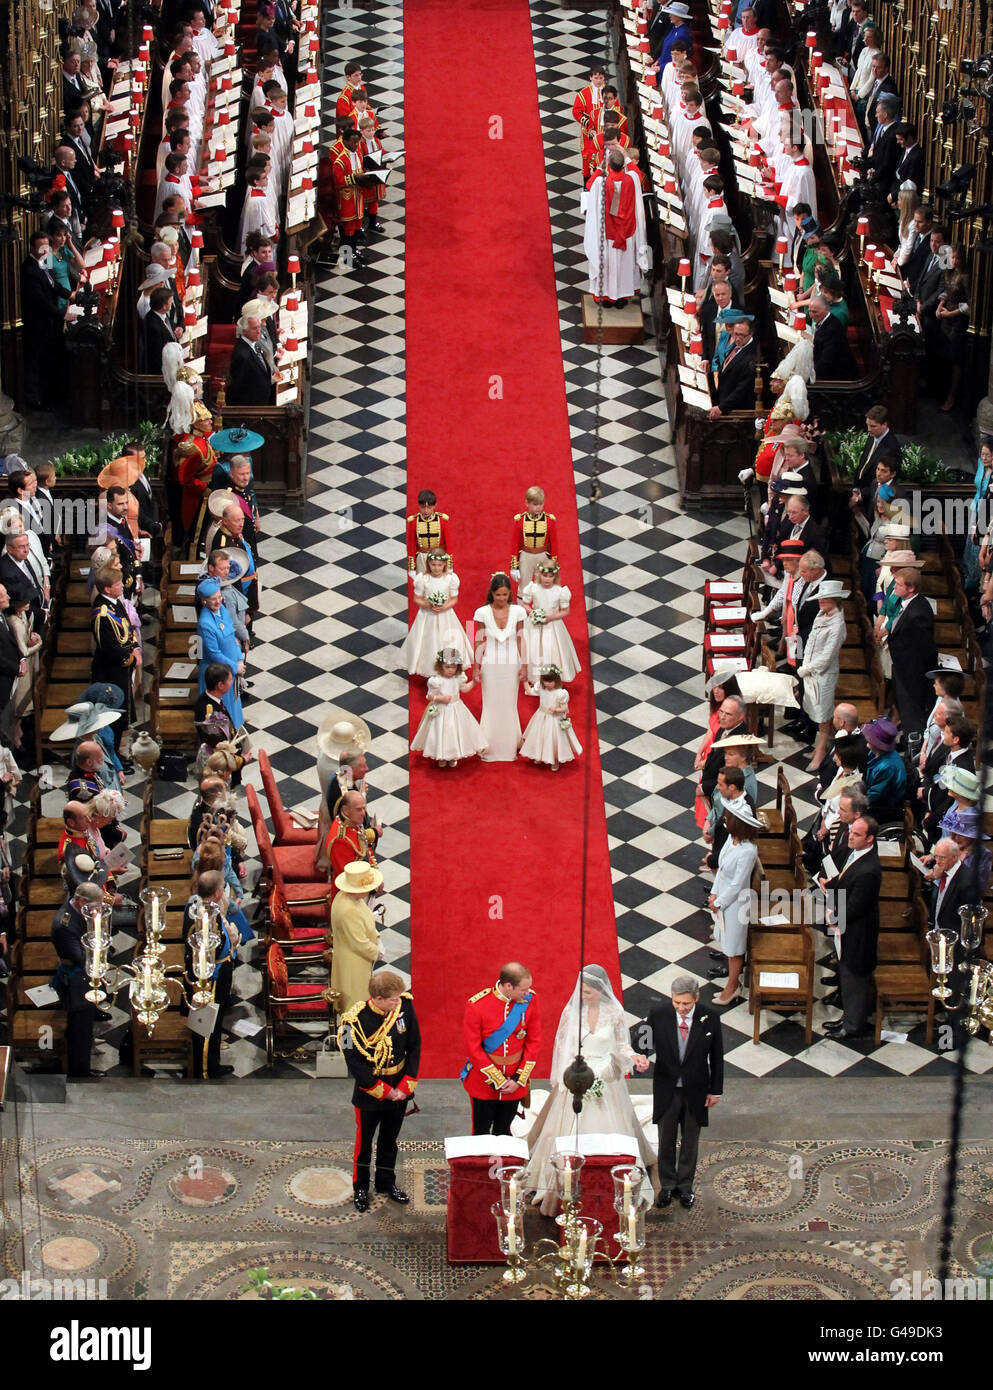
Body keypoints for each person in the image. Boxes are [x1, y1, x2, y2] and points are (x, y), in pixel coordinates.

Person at [526, 965, 655, 1215]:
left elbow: (620, 1045)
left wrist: (636, 1056)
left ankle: (611, 1176)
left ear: (599, 990)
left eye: (587, 992)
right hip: (578, 1075)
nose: (582, 996)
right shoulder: (572, 1013)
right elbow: (563, 1047)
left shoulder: (615, 1012)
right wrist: (569, 1077)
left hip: (606, 1079)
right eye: (582, 992)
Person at [338, 969, 420, 1212]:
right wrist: (384, 1091)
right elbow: (353, 1062)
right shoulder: (350, 1022)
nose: (398, 1003)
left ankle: (386, 1182)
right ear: (378, 999)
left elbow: (415, 1046)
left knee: (389, 1141)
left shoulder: (405, 1006)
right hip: (370, 1093)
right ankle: (361, 1187)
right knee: (364, 1144)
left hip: (400, 1087)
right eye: (393, 999)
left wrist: (405, 1086)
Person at [638, 977, 723, 1210]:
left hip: (696, 1089)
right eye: (677, 1002)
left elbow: (716, 1056)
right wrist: (642, 1055)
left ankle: (685, 1186)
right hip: (667, 1087)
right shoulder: (658, 1013)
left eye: (686, 1003)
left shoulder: (710, 1017)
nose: (681, 1008)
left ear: (696, 998)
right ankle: (666, 1186)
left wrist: (715, 1090)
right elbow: (643, 1040)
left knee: (690, 1140)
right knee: (666, 1138)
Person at [462, 962, 541, 1135]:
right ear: (508, 986)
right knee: (481, 1132)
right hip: (484, 1082)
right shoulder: (477, 1005)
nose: (527, 993)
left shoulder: (530, 1001)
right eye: (523, 990)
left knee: (504, 1131)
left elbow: (534, 1041)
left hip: (514, 1082)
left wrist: (518, 1079)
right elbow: (473, 1048)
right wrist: (498, 1080)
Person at [822, 817, 882, 1038]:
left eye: (857, 834)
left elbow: (857, 905)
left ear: (869, 839)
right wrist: (832, 884)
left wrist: (835, 917)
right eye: (851, 832)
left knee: (854, 977)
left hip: (859, 933)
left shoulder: (869, 870)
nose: (850, 836)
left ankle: (853, 1025)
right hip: (848, 928)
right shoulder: (856, 854)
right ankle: (847, 1017)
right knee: (846, 974)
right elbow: (846, 877)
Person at [183, 870, 238, 1078]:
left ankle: (211, 1062)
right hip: (210, 978)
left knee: (217, 1020)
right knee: (209, 1023)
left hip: (218, 971)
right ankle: (206, 1068)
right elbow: (210, 949)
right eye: (223, 887)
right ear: (216, 893)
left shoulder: (199, 905)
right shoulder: (204, 917)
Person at [51, 880, 106, 1079]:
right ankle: (79, 1072)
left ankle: (82, 1065)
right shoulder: (64, 925)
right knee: (79, 1029)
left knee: (85, 1026)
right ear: (82, 902)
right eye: (95, 906)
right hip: (75, 980)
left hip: (82, 975)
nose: (97, 910)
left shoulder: (76, 912)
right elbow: (80, 957)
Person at [708, 805, 761, 1006]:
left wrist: (719, 902)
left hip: (737, 903)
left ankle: (732, 986)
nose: (725, 820)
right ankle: (732, 980)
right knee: (726, 941)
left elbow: (738, 883)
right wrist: (714, 892)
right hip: (723, 895)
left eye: (728, 818)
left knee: (734, 947)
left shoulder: (748, 850)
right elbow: (721, 869)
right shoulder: (732, 840)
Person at [583, 149, 649, 308]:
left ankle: (605, 297)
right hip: (626, 231)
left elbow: (589, 184)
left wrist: (599, 168)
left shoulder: (601, 183)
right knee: (624, 264)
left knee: (608, 264)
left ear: (610, 166)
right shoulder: (632, 179)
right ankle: (621, 298)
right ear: (622, 166)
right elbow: (636, 172)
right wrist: (626, 157)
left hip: (608, 232)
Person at [473, 572, 526, 762]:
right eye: (498, 595)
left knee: (509, 704)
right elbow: (478, 640)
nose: (502, 598)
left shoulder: (519, 612)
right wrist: (476, 668)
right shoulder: (481, 613)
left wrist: (525, 665)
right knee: (491, 704)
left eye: (505, 594)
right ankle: (489, 746)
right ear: (492, 593)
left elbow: (521, 639)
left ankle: (509, 746)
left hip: (512, 662)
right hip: (491, 664)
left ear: (510, 593)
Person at [796, 580, 849, 770]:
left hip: (824, 675)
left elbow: (827, 656)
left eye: (825, 599)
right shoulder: (821, 615)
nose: (821, 602)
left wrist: (808, 668)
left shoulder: (838, 625)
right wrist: (806, 663)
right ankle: (820, 746)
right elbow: (810, 641)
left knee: (823, 714)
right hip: (811, 670)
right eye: (820, 598)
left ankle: (820, 753)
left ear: (835, 599)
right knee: (816, 712)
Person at [399, 549, 472, 677]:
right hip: (427, 616)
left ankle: (450, 666)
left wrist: (444, 607)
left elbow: (454, 599)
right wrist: (428, 604)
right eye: (433, 564)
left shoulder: (450, 579)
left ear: (444, 564)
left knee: (448, 640)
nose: (436, 568)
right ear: (428, 564)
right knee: (428, 642)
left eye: (439, 565)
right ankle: (432, 670)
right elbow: (417, 598)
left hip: (446, 616)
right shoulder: (423, 579)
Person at [409, 648, 486, 768]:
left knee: (455, 731)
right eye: (447, 667)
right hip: (442, 709)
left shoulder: (458, 677)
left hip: (456, 708)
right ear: (440, 666)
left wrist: (474, 682)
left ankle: (453, 755)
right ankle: (442, 755)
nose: (451, 670)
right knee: (442, 731)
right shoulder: (437, 680)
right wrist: (441, 698)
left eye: (454, 667)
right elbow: (429, 696)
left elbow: (464, 689)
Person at [885, 566, 938, 738]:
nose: (894, 588)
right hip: (902, 667)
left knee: (912, 713)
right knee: (904, 709)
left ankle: (914, 749)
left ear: (911, 588)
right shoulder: (907, 603)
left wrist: (915, 673)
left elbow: (925, 649)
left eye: (898, 585)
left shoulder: (918, 613)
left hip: (912, 673)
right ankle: (909, 741)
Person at [330, 858, 384, 1013]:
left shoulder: (349, 897)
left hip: (355, 957)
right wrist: (377, 951)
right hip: (353, 963)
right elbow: (358, 943)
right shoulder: (349, 910)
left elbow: (365, 917)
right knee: (356, 1002)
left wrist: (376, 936)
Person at [519, 559, 580, 690]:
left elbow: (565, 611)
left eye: (550, 576)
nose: (547, 579)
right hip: (535, 625)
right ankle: (535, 678)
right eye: (544, 575)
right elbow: (525, 604)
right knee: (534, 648)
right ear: (539, 574)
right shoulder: (533, 588)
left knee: (551, 649)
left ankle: (552, 677)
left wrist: (550, 617)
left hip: (552, 625)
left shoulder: (559, 591)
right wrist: (533, 613)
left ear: (555, 576)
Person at [196, 578, 244, 725]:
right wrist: (235, 667)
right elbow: (214, 654)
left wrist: (239, 658)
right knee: (222, 715)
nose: (218, 602)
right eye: (213, 599)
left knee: (234, 707)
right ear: (204, 601)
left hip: (230, 669)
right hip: (218, 674)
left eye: (219, 597)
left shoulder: (222, 610)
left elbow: (232, 637)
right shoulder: (205, 623)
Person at [519, 666, 582, 771]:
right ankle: (539, 755)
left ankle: (555, 759)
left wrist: (556, 709)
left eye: (550, 681)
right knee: (540, 737)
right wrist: (525, 681)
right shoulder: (541, 688)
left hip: (554, 719)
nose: (547, 684)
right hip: (541, 716)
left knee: (553, 739)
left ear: (556, 680)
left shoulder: (560, 693)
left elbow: (565, 709)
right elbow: (530, 691)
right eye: (545, 681)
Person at [324, 790, 378, 901]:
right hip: (349, 898)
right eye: (359, 809)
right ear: (346, 810)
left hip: (361, 885)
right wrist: (372, 885)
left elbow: (363, 846)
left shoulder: (352, 822)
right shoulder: (340, 840)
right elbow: (348, 879)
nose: (364, 813)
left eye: (364, 808)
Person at [935, 244, 969, 413]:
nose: (954, 261)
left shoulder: (965, 277)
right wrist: (940, 306)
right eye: (952, 257)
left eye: (957, 258)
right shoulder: (949, 271)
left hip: (957, 322)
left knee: (955, 360)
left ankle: (952, 397)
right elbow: (946, 291)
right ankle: (942, 391)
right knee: (944, 357)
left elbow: (969, 305)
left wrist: (950, 314)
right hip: (945, 317)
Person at [708, 317, 758, 417]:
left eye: (742, 335)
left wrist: (722, 408)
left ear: (750, 334)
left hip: (734, 412)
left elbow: (741, 390)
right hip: (722, 399)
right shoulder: (737, 346)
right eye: (735, 334)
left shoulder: (752, 357)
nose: (737, 338)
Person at [510, 486, 558, 589]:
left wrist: (553, 564)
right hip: (525, 556)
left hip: (542, 556)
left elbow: (554, 544)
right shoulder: (520, 520)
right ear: (527, 503)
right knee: (523, 587)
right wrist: (514, 566)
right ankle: (522, 605)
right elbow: (515, 544)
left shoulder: (549, 521)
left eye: (541, 504)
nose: (538, 507)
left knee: (542, 586)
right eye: (535, 504)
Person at [227, 313, 277, 406]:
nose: (259, 331)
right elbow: (239, 386)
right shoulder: (242, 355)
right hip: (251, 407)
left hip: (261, 402)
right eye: (254, 328)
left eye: (259, 327)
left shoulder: (254, 344)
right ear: (244, 331)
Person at [810, 293, 857, 379]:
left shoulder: (832, 330)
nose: (811, 315)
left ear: (826, 310)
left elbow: (826, 362)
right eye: (810, 311)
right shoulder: (824, 321)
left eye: (815, 312)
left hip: (839, 377)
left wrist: (809, 376)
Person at [406, 489, 451, 574]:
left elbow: (449, 543)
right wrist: (412, 568)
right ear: (419, 506)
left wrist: (449, 565)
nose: (426, 510)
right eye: (423, 507)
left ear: (434, 506)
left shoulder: (442, 520)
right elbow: (411, 545)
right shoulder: (414, 521)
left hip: (439, 557)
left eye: (429, 507)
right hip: (422, 557)